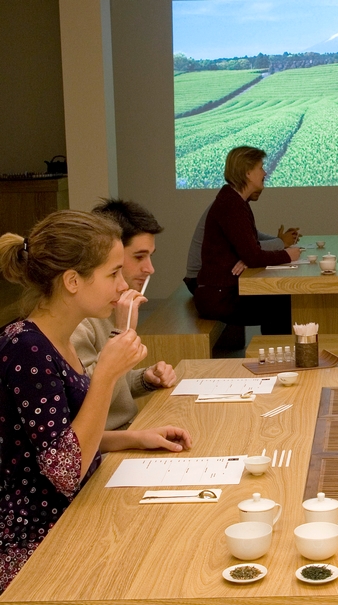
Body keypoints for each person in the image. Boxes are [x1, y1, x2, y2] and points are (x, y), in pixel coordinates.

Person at [0, 211, 192, 593]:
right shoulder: (26, 348)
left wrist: (135, 438)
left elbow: (59, 440)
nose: (122, 286)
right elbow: (65, 470)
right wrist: (104, 374)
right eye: (112, 274)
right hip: (37, 543)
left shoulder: (57, 338)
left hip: (71, 513)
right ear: (72, 281)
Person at [71, 199, 176, 431]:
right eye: (139, 257)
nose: (150, 269)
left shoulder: (110, 306)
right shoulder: (79, 318)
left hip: (125, 430)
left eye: (150, 256)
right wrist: (120, 334)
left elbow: (113, 381)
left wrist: (145, 378)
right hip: (104, 444)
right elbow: (86, 395)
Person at [193, 146, 300, 334]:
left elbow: (249, 251)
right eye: (261, 167)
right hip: (220, 298)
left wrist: (248, 257)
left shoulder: (234, 201)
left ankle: (278, 356)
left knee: (280, 300)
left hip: (220, 293)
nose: (265, 172)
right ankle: (278, 358)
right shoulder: (232, 205)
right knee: (282, 303)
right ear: (248, 173)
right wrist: (287, 255)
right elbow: (253, 256)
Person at [183, 202, 300, 294]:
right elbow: (247, 249)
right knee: (278, 303)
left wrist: (278, 241)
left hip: (210, 279)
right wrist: (280, 243)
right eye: (260, 170)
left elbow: (251, 236)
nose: (264, 174)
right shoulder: (229, 205)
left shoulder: (237, 203)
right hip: (201, 282)